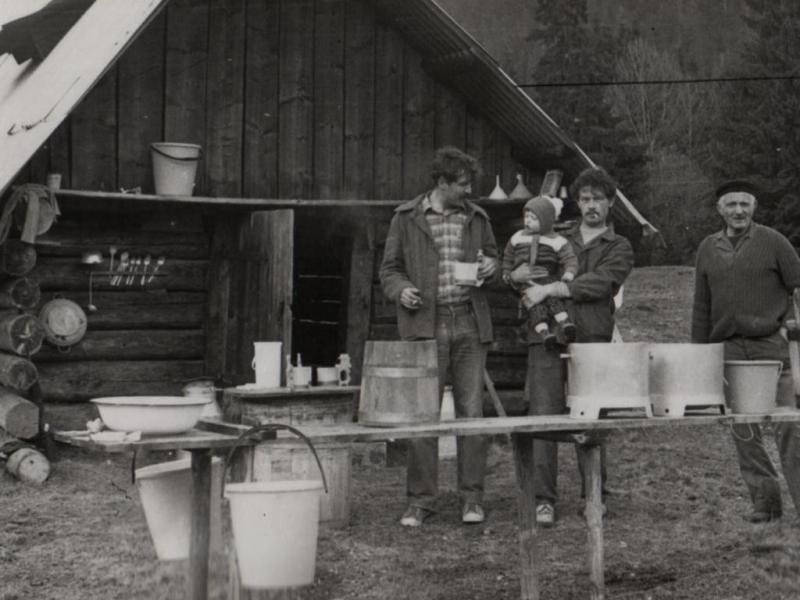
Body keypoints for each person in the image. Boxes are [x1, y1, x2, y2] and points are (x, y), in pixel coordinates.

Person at [379, 146, 499, 527]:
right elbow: (389, 270)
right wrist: (401, 290)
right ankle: (420, 501)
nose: (468, 190)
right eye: (462, 184)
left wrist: (489, 266)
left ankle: (472, 499)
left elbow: (493, 259)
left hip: (468, 322)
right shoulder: (405, 218)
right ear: (441, 182)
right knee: (422, 417)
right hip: (424, 327)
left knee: (472, 414)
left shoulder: (477, 218)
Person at [519, 166, 634, 527]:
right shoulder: (555, 236)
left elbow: (602, 283)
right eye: (584, 199)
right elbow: (530, 269)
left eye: (598, 199)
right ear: (577, 203)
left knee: (591, 419)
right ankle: (544, 500)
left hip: (592, 340)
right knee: (543, 416)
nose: (590, 205)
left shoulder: (619, 245)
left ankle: (594, 496)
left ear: (610, 202)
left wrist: (555, 288)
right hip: (547, 339)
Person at [692, 179, 800, 523]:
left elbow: (798, 286)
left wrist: (790, 326)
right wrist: (700, 356)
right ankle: (766, 504)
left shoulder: (773, 242)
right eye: (731, 204)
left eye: (745, 204)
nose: (738, 210)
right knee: (744, 429)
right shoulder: (708, 248)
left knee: (790, 428)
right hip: (730, 351)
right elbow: (701, 305)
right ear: (719, 209)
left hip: (774, 348)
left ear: (754, 207)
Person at [502, 195, 578, 350]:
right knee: (534, 307)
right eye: (526, 217)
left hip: (547, 278)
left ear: (546, 220)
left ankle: (564, 323)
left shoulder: (557, 240)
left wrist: (569, 272)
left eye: (533, 218)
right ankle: (544, 333)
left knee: (553, 300)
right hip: (525, 283)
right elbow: (508, 257)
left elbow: (569, 258)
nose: (527, 221)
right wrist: (507, 273)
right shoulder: (517, 237)